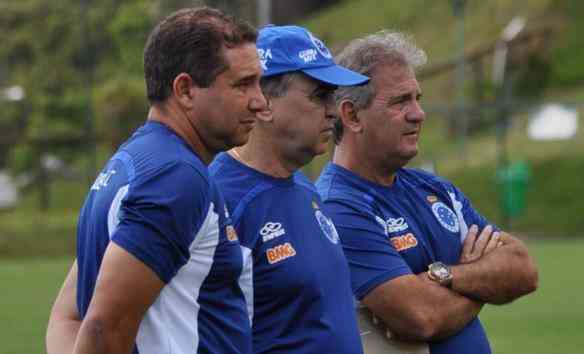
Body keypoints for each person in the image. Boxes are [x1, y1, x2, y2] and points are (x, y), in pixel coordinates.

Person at [46, 7, 267, 354]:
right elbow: (104, 328)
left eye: (259, 82)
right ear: (185, 90)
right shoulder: (175, 178)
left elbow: (68, 318)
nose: (260, 101)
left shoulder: (133, 161)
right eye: (242, 84)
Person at [315, 30, 539, 354]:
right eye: (400, 101)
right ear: (351, 115)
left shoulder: (433, 189)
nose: (418, 113)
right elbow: (421, 316)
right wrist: (481, 282)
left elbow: (523, 269)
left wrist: (446, 275)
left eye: (417, 98)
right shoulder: (338, 206)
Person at [209, 25, 369, 354]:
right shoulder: (218, 201)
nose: (332, 109)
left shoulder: (303, 188)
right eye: (319, 95)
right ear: (264, 104)